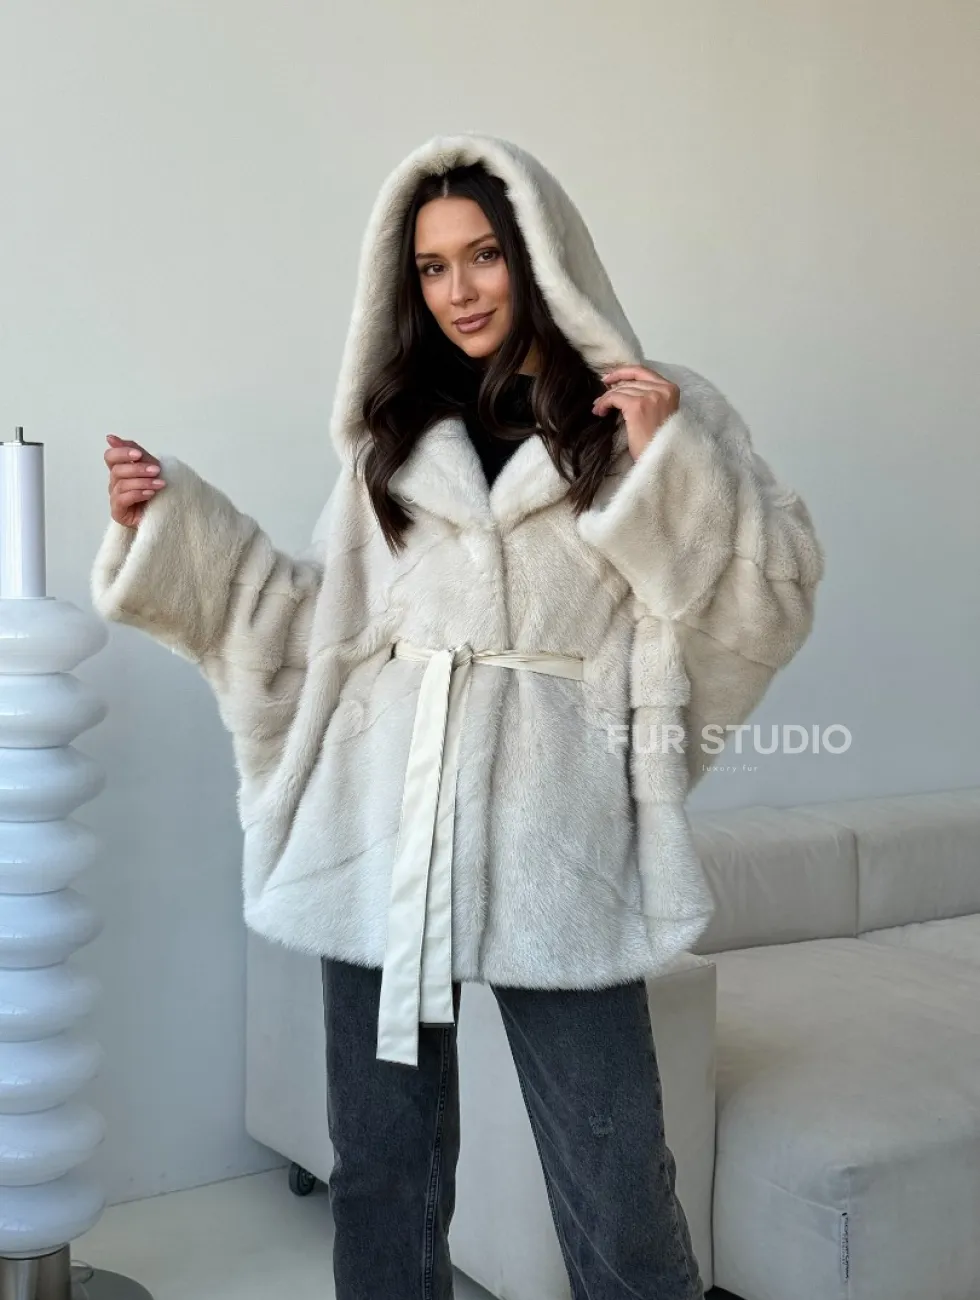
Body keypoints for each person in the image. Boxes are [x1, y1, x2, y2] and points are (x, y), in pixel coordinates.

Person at [92, 132, 824, 1300]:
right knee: (381, 1167)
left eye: (483, 255)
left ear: (540, 255)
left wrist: (664, 467)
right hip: (383, 820)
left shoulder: (649, 413)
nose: (459, 290)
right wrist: (172, 526)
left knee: (613, 1172)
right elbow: (316, 623)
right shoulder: (392, 436)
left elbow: (759, 605)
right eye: (431, 267)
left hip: (559, 832)